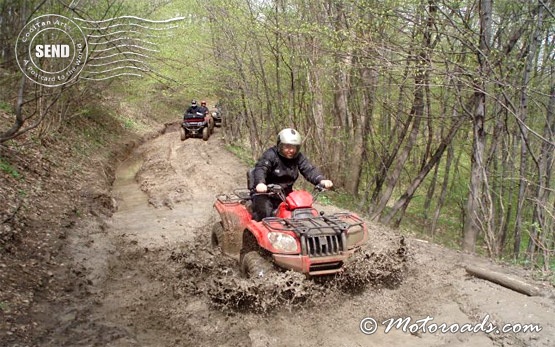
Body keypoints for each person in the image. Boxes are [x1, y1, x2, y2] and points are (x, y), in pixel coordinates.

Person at [251, 128, 333, 221]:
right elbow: (261, 168)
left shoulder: (298, 157)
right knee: (264, 214)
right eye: (287, 146)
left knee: (302, 211)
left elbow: (309, 169)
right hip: (266, 193)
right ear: (280, 145)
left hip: (285, 193)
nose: (290, 150)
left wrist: (321, 179)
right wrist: (260, 183)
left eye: (293, 147)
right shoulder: (271, 155)